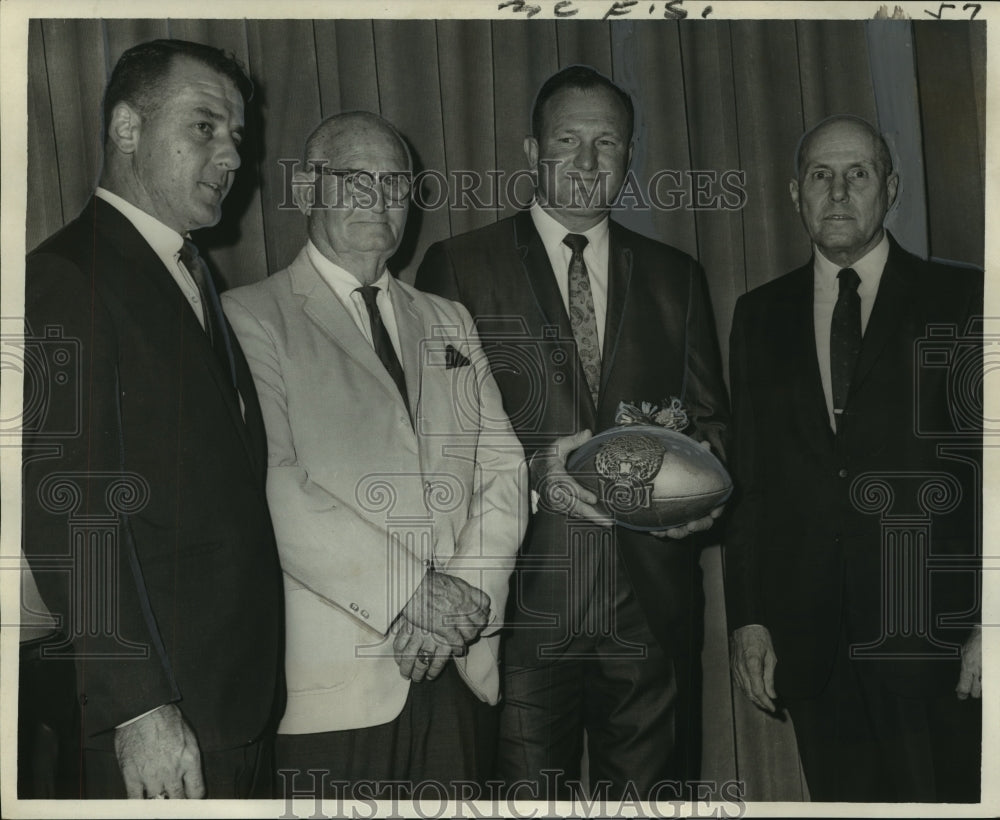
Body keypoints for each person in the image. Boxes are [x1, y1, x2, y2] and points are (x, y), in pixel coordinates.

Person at [416, 65, 729, 798]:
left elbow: (715, 426)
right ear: (531, 152)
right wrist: (533, 475)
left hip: (648, 610)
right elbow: (434, 445)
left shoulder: (676, 276)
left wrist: (702, 495)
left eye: (607, 143)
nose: (589, 163)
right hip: (519, 606)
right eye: (568, 140)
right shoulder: (459, 267)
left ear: (629, 156)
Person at [221, 111, 527, 799]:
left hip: (456, 665)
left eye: (395, 183)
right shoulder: (249, 317)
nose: (379, 199)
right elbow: (275, 484)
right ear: (306, 188)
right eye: (355, 180)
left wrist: (461, 606)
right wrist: (409, 595)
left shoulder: (447, 319)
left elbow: (503, 470)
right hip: (333, 690)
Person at [21, 39, 285, 799]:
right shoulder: (67, 276)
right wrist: (138, 706)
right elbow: (69, 509)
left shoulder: (190, 273)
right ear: (127, 129)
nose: (232, 156)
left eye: (237, 136)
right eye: (205, 126)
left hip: (228, 704)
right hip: (161, 716)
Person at [725, 115, 982, 802]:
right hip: (814, 649)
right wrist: (747, 617)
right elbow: (746, 480)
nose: (837, 192)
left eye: (858, 174)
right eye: (820, 175)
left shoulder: (964, 302)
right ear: (794, 193)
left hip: (935, 640)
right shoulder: (758, 316)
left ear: (890, 188)